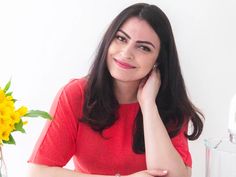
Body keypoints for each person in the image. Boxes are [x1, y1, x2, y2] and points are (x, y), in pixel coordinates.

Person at [27, 3, 204, 177]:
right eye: (121, 38)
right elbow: (38, 172)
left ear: (158, 60)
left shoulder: (169, 103)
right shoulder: (76, 95)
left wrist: (149, 105)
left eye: (143, 47)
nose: (126, 53)